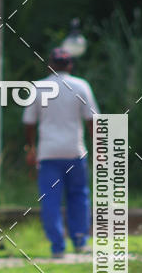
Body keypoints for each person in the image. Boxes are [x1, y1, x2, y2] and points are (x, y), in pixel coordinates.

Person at [23, 47, 99, 258]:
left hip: (48, 153)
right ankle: (80, 241)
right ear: (70, 65)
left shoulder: (38, 87)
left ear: (50, 65)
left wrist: (30, 148)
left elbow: (29, 123)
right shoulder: (81, 86)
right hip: (75, 151)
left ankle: (57, 247)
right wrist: (99, 148)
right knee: (79, 196)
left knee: (50, 199)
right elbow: (92, 121)